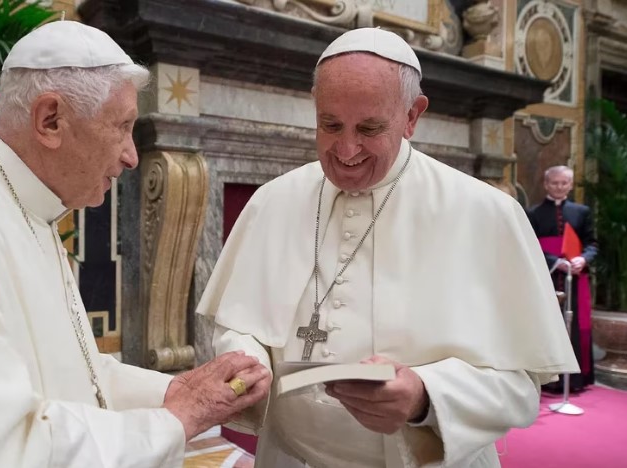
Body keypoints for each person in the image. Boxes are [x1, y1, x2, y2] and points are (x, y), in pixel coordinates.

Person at [0, 21, 270, 468]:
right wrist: (180, 417)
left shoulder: (37, 214)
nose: (131, 155)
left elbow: (81, 375)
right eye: (121, 127)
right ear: (51, 120)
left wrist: (175, 391)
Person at [197, 28, 578, 468]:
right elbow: (239, 323)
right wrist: (247, 358)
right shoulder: (273, 201)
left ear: (412, 116)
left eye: (370, 128)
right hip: (288, 459)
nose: (346, 148)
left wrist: (424, 398)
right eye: (330, 124)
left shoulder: (486, 212)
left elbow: (521, 387)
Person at [527, 165, 598, 393]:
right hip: (546, 276)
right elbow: (529, 245)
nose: (559, 187)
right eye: (555, 183)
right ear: (546, 184)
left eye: (564, 183)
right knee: (547, 325)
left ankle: (575, 381)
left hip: (575, 278)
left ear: (570, 184)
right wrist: (555, 262)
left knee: (575, 326)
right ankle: (550, 380)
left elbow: (592, 244)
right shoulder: (533, 213)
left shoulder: (582, 211)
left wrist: (583, 260)